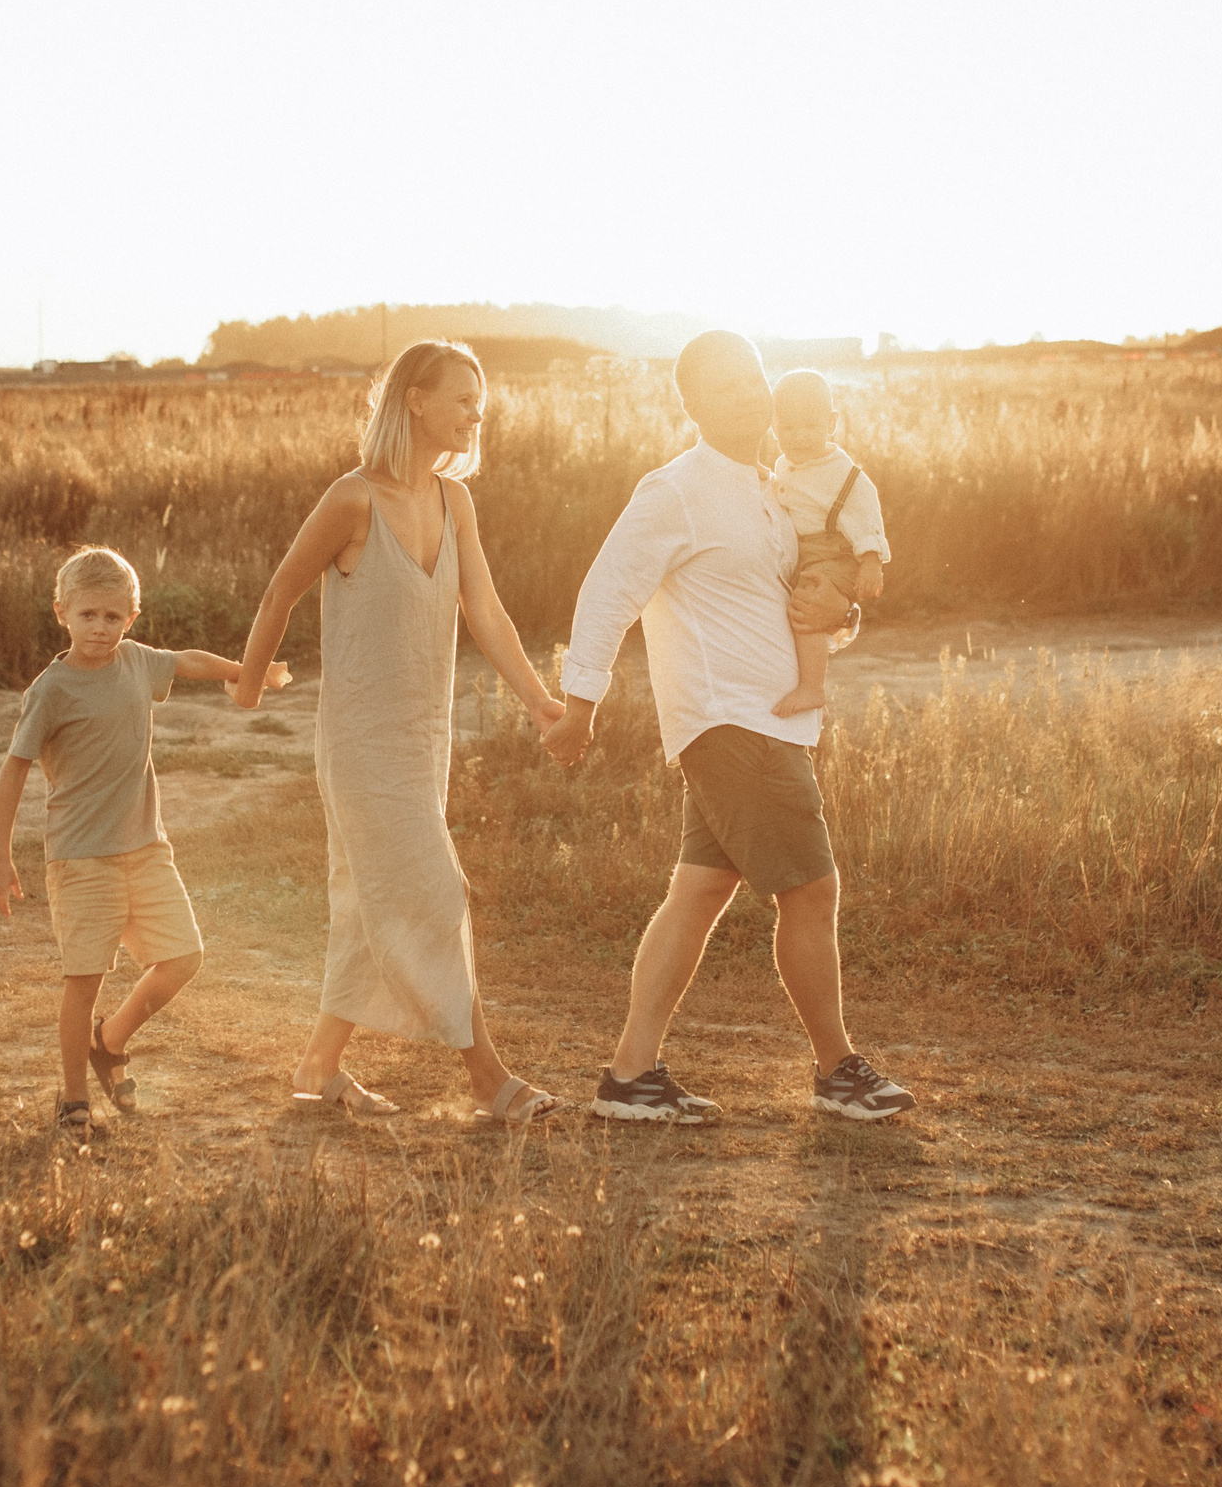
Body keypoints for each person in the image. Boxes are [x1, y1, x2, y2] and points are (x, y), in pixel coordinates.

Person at [543, 331, 918, 1123]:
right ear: (694, 404)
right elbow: (609, 588)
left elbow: (800, 602)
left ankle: (629, 1076)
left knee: (700, 891)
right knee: (813, 892)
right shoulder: (675, 490)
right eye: (729, 387)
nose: (751, 397)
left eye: (755, 380)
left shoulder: (773, 491)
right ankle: (836, 1070)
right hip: (730, 721)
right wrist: (583, 702)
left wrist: (841, 611)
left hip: (771, 720)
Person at [230, 339, 568, 1126]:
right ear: (414, 400)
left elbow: (484, 610)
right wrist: (249, 684)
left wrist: (538, 700)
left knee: (364, 906)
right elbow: (281, 588)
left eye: (479, 402)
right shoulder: (353, 499)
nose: (474, 413)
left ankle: (317, 1070)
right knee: (435, 892)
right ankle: (487, 1076)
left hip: (423, 740)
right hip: (361, 745)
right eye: (462, 397)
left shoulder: (457, 503)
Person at [0, 545, 291, 1143]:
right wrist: (0, 855)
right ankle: (73, 1100)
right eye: (88, 615)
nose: (100, 628)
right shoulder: (51, 691)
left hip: (147, 847)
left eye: (113, 616)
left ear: (131, 617)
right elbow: (14, 769)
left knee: (183, 956)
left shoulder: (137, 662)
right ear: (62, 613)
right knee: (85, 976)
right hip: (81, 857)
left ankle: (112, 1040)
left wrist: (242, 671)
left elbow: (186, 661)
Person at [767, 369, 888, 717]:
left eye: (809, 426)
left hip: (836, 555)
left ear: (831, 422)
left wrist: (870, 561)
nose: (799, 437)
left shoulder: (845, 473)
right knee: (796, 604)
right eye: (787, 428)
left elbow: (867, 516)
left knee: (809, 607)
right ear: (774, 427)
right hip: (806, 554)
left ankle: (812, 688)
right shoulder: (783, 465)